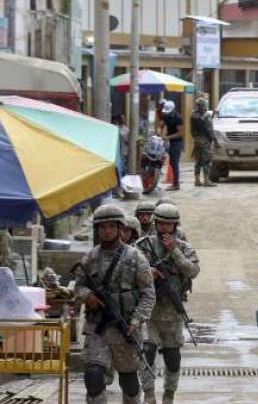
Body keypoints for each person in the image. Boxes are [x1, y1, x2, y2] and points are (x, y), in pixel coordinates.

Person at [74, 205, 155, 404]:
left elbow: (148, 295)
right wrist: (87, 296)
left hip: (126, 330)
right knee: (93, 377)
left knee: (129, 384)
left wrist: (136, 321)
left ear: (120, 229)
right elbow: (78, 288)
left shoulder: (136, 257)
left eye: (111, 226)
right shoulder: (90, 257)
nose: (107, 231)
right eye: (102, 227)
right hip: (97, 329)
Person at [136, 204, 200, 404]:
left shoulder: (184, 247)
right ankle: (148, 394)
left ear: (175, 226)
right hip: (148, 309)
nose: (165, 228)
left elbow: (193, 271)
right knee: (147, 351)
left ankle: (169, 394)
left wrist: (175, 252)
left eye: (169, 224)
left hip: (172, 310)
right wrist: (149, 273)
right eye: (161, 223)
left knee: (173, 356)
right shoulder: (142, 245)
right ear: (156, 223)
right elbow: (131, 271)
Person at [189, 96, 217, 187]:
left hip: (196, 139)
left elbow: (191, 130)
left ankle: (197, 180)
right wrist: (215, 141)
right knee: (206, 160)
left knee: (198, 161)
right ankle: (206, 180)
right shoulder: (206, 116)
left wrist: (195, 137)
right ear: (204, 105)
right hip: (205, 140)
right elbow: (210, 130)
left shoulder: (193, 115)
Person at [159, 100, 183, 191]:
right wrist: (159, 130)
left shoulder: (178, 118)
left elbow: (180, 133)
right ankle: (174, 183)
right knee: (171, 163)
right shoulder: (166, 116)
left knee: (175, 163)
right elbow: (161, 125)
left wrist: (167, 137)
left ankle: (176, 184)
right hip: (169, 141)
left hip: (177, 142)